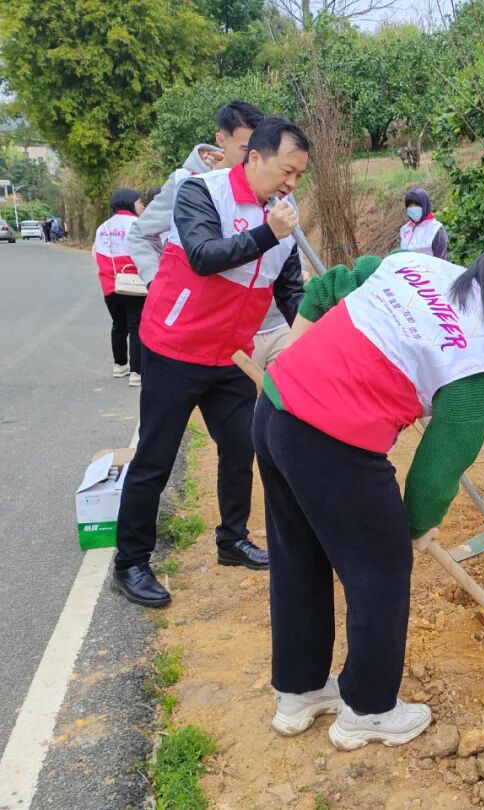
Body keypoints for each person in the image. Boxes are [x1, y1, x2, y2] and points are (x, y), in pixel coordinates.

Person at [255, 223, 484, 749]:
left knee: (299, 557)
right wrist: (416, 524)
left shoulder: (417, 265)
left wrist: (295, 359)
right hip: (332, 443)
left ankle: (300, 690)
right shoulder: (482, 361)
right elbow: (438, 466)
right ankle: (369, 708)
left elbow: (330, 284)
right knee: (381, 571)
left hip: (273, 412)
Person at [112, 117, 309, 608]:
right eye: (286, 171)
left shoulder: (283, 218)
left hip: (231, 354)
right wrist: (267, 232)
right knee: (155, 458)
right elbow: (203, 256)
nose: (291, 183)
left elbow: (288, 290)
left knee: (241, 447)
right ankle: (131, 561)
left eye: (299, 176)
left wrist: (317, 334)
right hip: (175, 348)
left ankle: (232, 539)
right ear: (255, 157)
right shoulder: (201, 191)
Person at [128, 102, 295, 370]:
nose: (253, 160)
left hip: (257, 329)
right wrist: (158, 285)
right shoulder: (189, 182)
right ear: (221, 139)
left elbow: (287, 261)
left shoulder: (277, 193)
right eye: (246, 150)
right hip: (189, 336)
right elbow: (141, 234)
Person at [93, 189, 146, 386]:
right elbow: (145, 253)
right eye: (140, 202)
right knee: (136, 327)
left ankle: (120, 365)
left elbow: (97, 255)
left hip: (110, 284)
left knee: (118, 325)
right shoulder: (138, 224)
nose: (142, 206)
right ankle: (137, 372)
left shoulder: (103, 228)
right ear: (130, 203)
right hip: (134, 284)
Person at [399, 187, 448, 259]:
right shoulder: (405, 229)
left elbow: (441, 260)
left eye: (417, 205)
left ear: (425, 205)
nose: (413, 208)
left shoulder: (436, 229)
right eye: (410, 205)